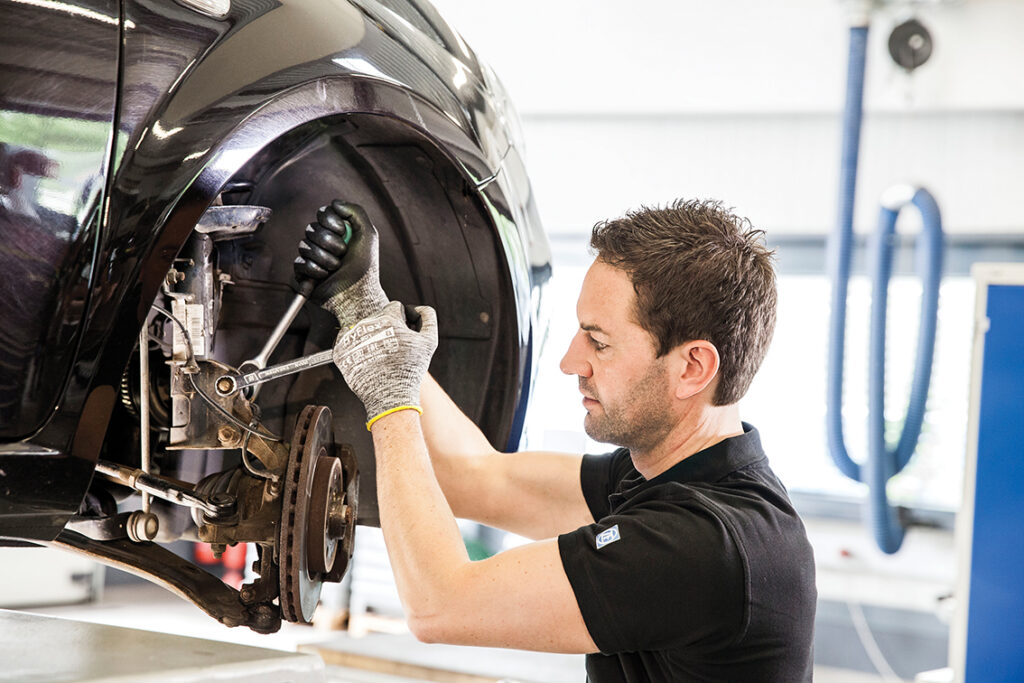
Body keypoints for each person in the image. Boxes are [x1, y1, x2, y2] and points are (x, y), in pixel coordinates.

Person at [302, 198, 817, 682]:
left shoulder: (706, 545)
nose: (571, 362)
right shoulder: (668, 475)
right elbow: (475, 477)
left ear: (693, 367)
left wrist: (390, 394)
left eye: (599, 342)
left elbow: (440, 606)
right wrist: (368, 312)